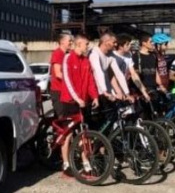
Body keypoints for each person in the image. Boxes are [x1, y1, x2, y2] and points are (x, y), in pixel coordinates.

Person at [60, 34, 99, 177]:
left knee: (85, 133)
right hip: (70, 102)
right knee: (68, 133)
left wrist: (94, 96)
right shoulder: (68, 58)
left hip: (84, 102)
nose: (87, 47)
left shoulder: (86, 61)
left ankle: (86, 162)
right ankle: (65, 163)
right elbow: (68, 81)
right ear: (78, 44)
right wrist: (77, 99)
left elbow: (90, 81)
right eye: (86, 44)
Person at [88, 31, 130, 102]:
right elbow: (98, 72)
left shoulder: (111, 55)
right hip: (95, 91)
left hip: (106, 91)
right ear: (105, 42)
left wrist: (127, 93)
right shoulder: (94, 54)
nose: (116, 44)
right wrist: (105, 91)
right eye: (114, 42)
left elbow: (118, 73)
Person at [113, 34, 148, 100]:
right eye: (127, 44)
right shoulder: (113, 56)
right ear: (120, 46)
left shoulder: (128, 55)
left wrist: (143, 91)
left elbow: (133, 74)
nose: (130, 46)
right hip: (114, 90)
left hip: (124, 88)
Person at [48, 33, 73, 117]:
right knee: (62, 116)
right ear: (62, 42)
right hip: (58, 91)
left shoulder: (66, 54)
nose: (71, 42)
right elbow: (58, 73)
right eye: (69, 41)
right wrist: (72, 81)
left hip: (64, 90)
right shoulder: (57, 53)